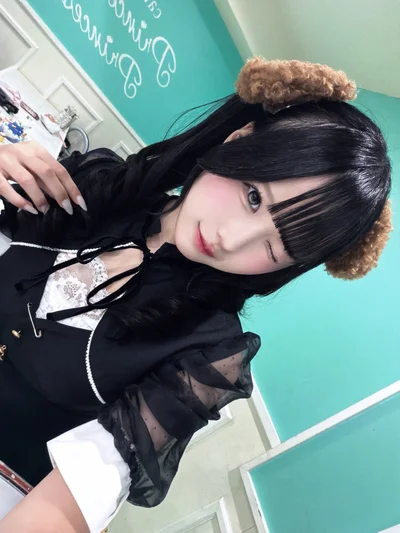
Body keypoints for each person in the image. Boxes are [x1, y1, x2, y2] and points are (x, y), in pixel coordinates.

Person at [0, 58, 393, 533]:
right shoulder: (98, 185)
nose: (231, 239)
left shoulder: (208, 354)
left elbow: (84, 488)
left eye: (275, 248)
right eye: (253, 197)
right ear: (238, 139)